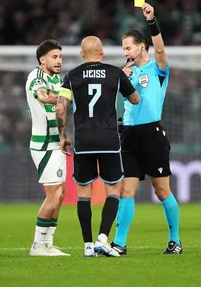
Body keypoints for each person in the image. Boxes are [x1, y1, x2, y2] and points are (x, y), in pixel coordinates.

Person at [56, 36, 140, 257]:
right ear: (102, 52)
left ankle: (86, 245)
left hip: (83, 140)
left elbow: (60, 108)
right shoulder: (115, 73)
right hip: (109, 139)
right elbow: (135, 99)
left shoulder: (72, 76)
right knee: (113, 189)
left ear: (82, 54)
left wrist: (63, 135)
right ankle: (102, 238)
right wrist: (125, 79)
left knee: (84, 192)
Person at [111, 2, 182, 255]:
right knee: (125, 190)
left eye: (128, 46)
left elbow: (160, 49)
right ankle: (119, 243)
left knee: (162, 190)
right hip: (128, 134)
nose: (126, 51)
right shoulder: (125, 73)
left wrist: (152, 21)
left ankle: (175, 240)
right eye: (123, 48)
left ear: (141, 46)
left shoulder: (157, 68)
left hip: (152, 133)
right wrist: (120, 79)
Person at [25, 39, 69, 257]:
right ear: (42, 59)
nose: (59, 60)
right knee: (53, 195)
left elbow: (59, 113)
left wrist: (63, 136)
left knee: (61, 194)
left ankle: (48, 243)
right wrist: (63, 96)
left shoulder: (57, 78)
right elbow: (42, 96)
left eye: (60, 56)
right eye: (54, 56)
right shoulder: (37, 77)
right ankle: (38, 245)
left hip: (55, 142)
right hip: (43, 144)